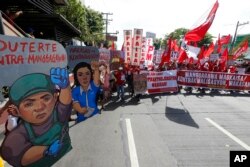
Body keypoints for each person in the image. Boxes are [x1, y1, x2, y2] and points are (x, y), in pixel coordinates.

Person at [0, 68, 72, 167]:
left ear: (55, 98)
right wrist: (46, 151)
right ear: (16, 111)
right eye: (29, 104)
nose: (40, 107)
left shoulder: (58, 115)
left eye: (46, 98)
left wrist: (65, 87)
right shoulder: (19, 134)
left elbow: (65, 103)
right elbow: (15, 155)